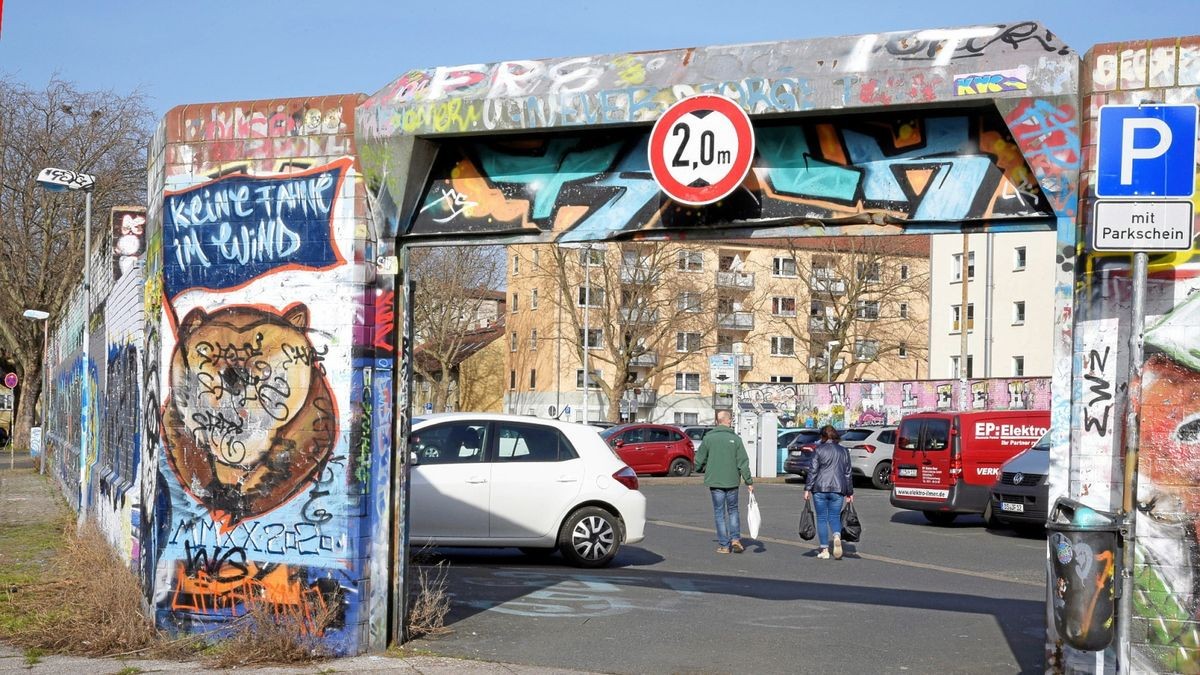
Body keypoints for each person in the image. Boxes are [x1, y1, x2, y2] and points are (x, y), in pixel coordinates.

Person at [694, 409, 754, 554]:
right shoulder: (736, 439)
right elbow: (743, 462)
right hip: (732, 481)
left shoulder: (709, 438)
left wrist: (700, 468)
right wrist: (749, 481)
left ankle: (724, 545)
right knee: (733, 510)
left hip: (715, 481)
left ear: (717, 421)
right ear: (728, 421)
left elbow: (699, 459)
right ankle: (735, 540)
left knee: (719, 513)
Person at [804, 425, 854, 560]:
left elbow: (813, 471)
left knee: (821, 518)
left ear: (823, 436)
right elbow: (848, 473)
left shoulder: (818, 450)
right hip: (838, 489)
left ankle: (824, 549)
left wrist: (807, 488)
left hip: (820, 488)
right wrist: (850, 492)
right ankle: (837, 535)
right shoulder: (844, 451)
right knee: (834, 516)